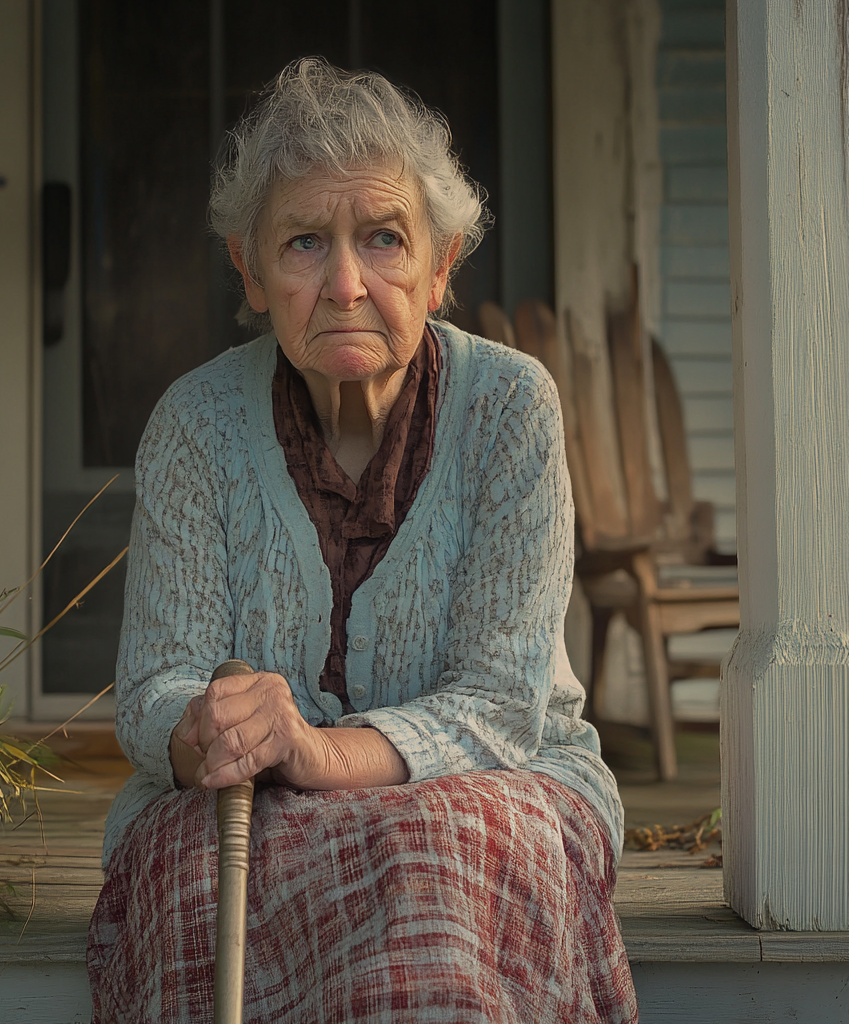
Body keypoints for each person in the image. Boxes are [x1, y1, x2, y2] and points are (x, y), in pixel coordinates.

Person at [87, 57, 637, 1023]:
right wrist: (209, 726)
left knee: (440, 849)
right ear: (249, 271)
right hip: (256, 805)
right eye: (304, 242)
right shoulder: (193, 426)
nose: (346, 284)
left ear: (442, 268)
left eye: (384, 238)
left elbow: (500, 708)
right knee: (193, 862)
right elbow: (152, 693)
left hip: (493, 785)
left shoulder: (513, 408)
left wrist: (312, 751)